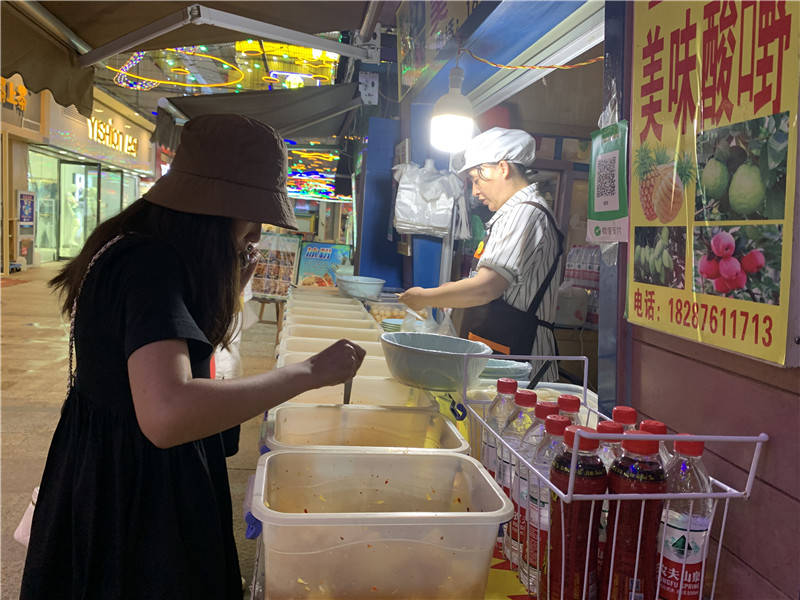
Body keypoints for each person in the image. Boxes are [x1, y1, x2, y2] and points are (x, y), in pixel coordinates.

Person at [20, 114, 365, 599]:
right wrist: (308, 372)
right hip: (134, 494)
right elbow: (167, 414)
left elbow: (174, 358)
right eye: (253, 218)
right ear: (216, 212)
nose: (257, 235)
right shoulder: (148, 266)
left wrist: (231, 288)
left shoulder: (140, 251)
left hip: (112, 473)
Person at [399, 127, 564, 382]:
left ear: (503, 168)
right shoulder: (512, 214)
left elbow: (487, 287)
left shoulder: (525, 213)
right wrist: (453, 292)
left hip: (523, 361)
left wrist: (425, 297)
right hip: (504, 351)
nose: (475, 192)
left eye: (477, 179)